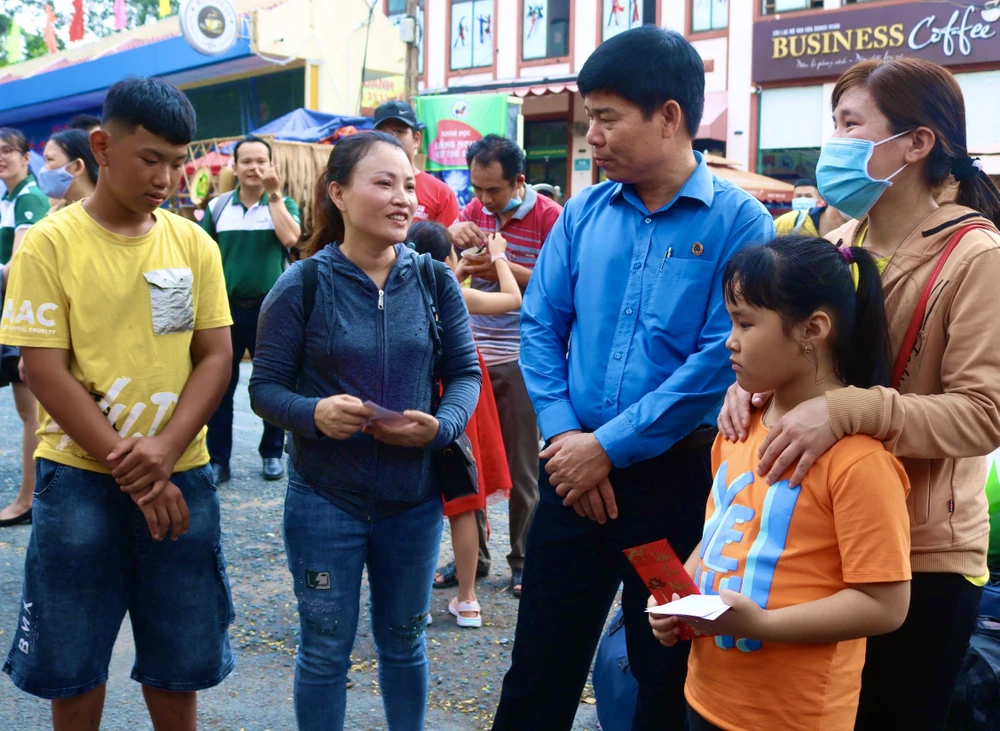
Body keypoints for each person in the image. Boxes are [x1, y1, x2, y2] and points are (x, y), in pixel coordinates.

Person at [491, 27, 775, 731]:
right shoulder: (584, 213)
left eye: (608, 118)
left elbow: (719, 357)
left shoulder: (740, 222)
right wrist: (567, 441)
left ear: (669, 117)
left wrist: (608, 448)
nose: (593, 137)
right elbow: (540, 326)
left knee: (664, 668)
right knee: (539, 665)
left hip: (671, 488)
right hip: (569, 477)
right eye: (590, 120)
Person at [716, 57, 1000, 731]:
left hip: (922, 557)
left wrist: (847, 410)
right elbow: (808, 362)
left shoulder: (976, 256)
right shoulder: (838, 244)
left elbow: (985, 413)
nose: (833, 144)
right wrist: (748, 389)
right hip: (817, 541)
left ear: (917, 142)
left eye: (850, 124)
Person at [0, 76, 235, 730]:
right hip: (78, 476)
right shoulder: (51, 242)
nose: (167, 176)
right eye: (150, 158)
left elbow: (213, 356)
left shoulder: (192, 245)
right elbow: (41, 368)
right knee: (71, 655)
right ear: (101, 146)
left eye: (178, 161)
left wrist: (162, 451)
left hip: (179, 471)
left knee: (179, 651)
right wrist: (130, 463)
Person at [248, 131, 481, 731]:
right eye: (384, 183)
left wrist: (441, 427)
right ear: (340, 195)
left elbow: (464, 375)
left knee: (405, 644)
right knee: (325, 650)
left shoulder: (434, 282)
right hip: (326, 500)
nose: (404, 198)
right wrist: (313, 415)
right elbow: (264, 390)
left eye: (409, 185)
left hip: (413, 501)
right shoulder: (301, 284)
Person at [648, 235, 912, 731]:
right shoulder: (737, 425)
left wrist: (764, 626)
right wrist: (680, 600)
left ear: (813, 330)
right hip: (707, 693)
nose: (730, 340)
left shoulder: (858, 460)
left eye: (746, 323)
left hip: (795, 714)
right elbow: (719, 537)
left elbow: (886, 604)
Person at [441, 134, 562, 599]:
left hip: (523, 357)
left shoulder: (550, 218)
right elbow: (450, 271)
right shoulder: (472, 214)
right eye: (477, 190)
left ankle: (523, 559)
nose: (484, 201)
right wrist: (454, 239)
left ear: (519, 182)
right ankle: (474, 558)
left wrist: (502, 267)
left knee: (521, 466)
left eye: (493, 190)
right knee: (470, 465)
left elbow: (558, 286)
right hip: (471, 355)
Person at [409, 220, 515, 628]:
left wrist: (459, 266)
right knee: (463, 500)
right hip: (459, 394)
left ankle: (411, 600)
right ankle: (468, 600)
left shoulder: (404, 289)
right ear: (449, 258)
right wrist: (500, 256)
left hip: (417, 393)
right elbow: (511, 298)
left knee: (412, 499)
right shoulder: (455, 292)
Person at [202, 135, 301, 484]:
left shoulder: (284, 203)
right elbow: (202, 256)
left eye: (262, 161)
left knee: (272, 384)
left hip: (271, 310)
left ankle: (272, 454)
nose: (254, 168)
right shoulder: (217, 208)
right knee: (218, 386)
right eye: (247, 161)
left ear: (272, 166)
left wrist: (274, 196)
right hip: (224, 310)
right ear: (235, 166)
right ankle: (218, 460)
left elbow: (291, 240)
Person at [0, 127, 50, 528]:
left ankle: (30, 499)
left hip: (21, 314)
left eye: (7, 151)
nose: (2, 158)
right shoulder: (8, 197)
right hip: (12, 313)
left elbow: (18, 268)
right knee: (28, 410)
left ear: (24, 157)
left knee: (32, 411)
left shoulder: (30, 197)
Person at [373, 100, 460, 226]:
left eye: (398, 132)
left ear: (416, 139)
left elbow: (447, 243)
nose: (390, 138)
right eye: (383, 133)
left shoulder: (441, 194)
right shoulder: (363, 186)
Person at [38, 128, 99, 213]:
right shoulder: (54, 214)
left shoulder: (108, 213)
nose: (44, 169)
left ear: (77, 166)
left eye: (50, 159)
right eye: (45, 161)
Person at [774, 177, 850, 238]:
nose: (802, 200)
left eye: (808, 196)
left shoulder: (857, 231)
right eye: (798, 196)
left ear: (820, 200)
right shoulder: (789, 221)